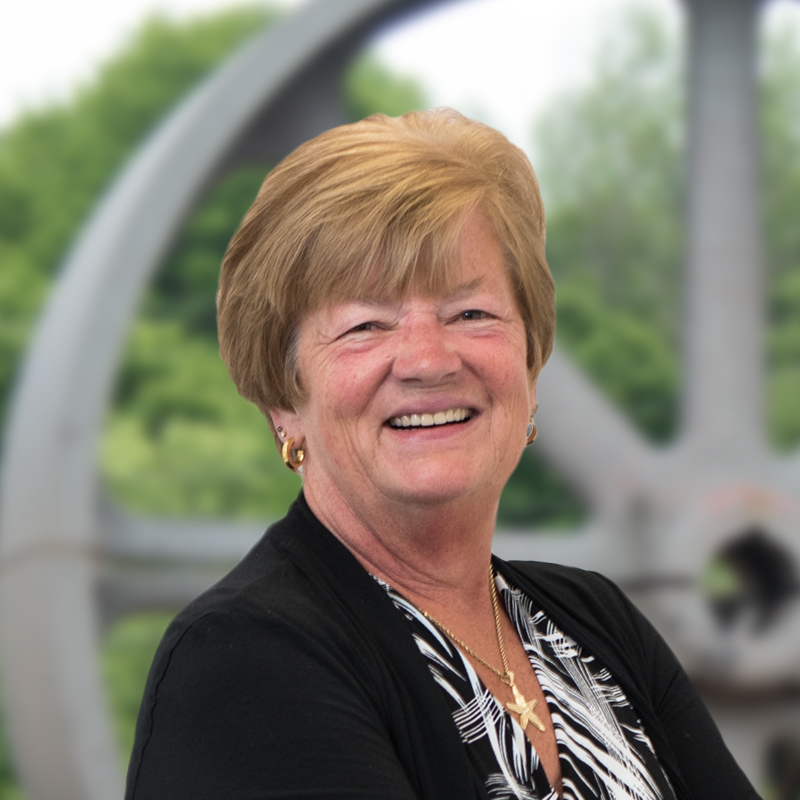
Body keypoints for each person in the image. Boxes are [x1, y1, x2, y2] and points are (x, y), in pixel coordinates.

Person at [125, 108, 758, 800]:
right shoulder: (241, 661)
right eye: (366, 325)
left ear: (530, 366)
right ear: (285, 400)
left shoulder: (597, 623)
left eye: (471, 314)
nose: (428, 359)